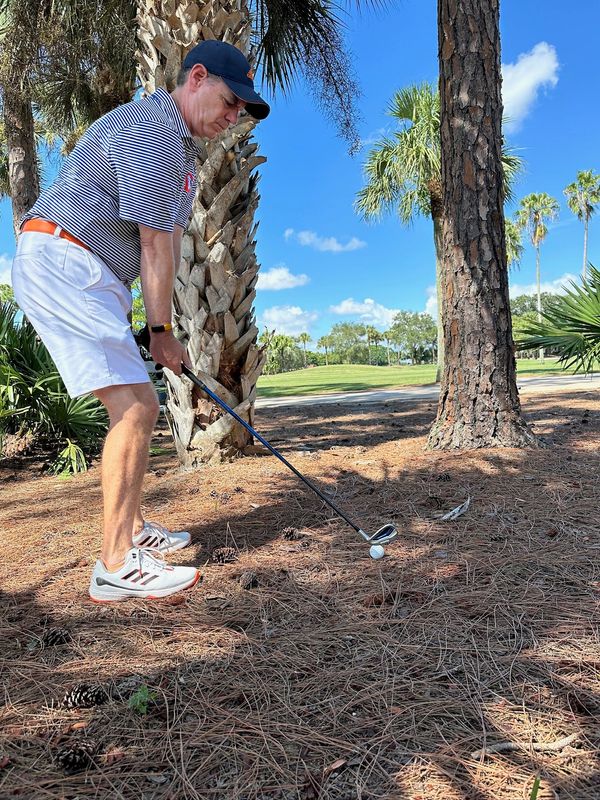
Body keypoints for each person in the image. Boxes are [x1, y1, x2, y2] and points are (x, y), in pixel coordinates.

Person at [11, 41, 270, 602]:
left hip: (83, 265)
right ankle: (114, 564)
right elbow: (155, 248)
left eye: (239, 112)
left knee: (134, 404)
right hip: (67, 259)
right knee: (137, 406)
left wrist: (153, 324)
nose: (233, 118)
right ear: (196, 77)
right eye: (229, 102)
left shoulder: (173, 143)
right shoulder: (156, 132)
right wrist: (159, 333)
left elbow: (163, 244)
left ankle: (128, 531)